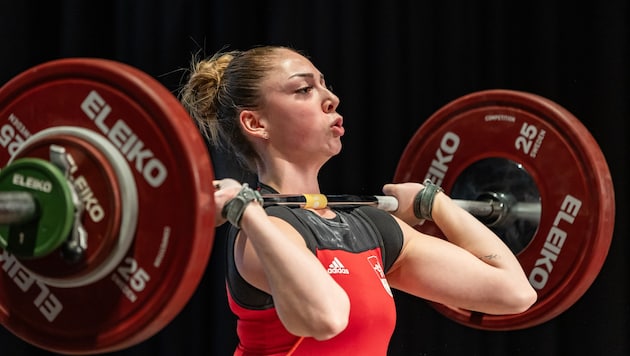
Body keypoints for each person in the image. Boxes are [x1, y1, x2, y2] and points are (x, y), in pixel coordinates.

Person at [179, 45, 537, 355]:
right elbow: (327, 317)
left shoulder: (370, 226)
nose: (331, 98)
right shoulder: (266, 232)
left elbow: (514, 293)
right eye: (303, 89)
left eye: (325, 85)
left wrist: (434, 203)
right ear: (256, 123)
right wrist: (249, 214)